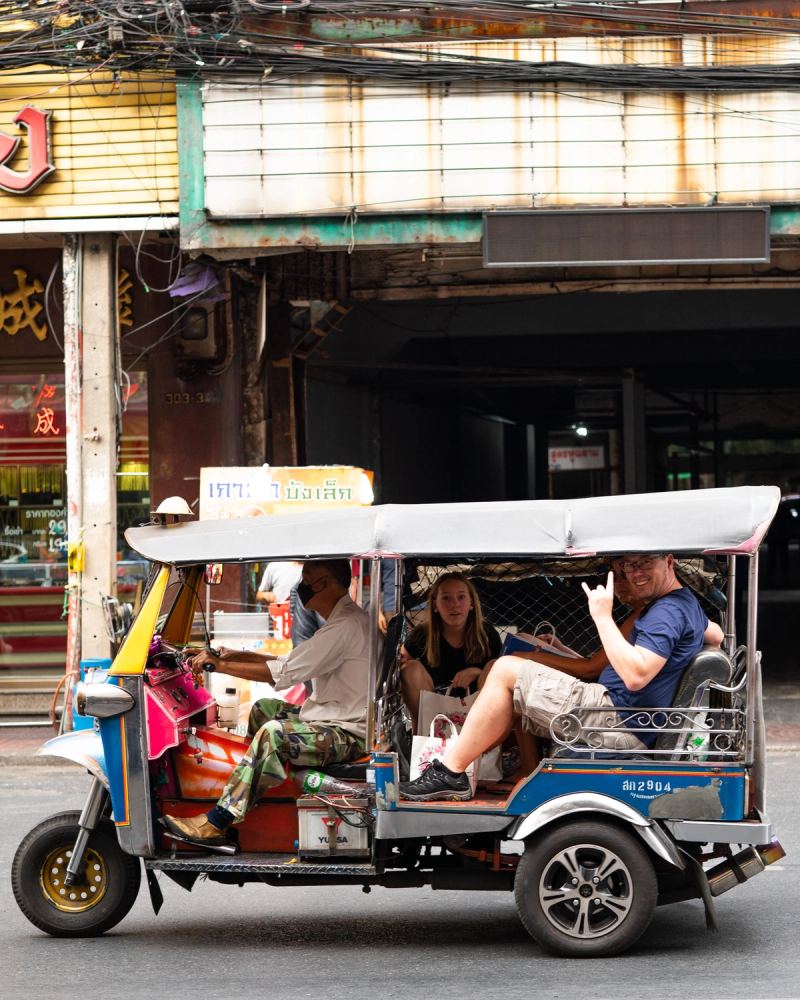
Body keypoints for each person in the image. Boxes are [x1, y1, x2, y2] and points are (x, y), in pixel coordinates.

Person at [399, 553, 723, 801]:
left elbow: (637, 675)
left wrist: (601, 616)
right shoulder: (683, 604)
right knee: (510, 693)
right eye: (628, 567)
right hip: (623, 715)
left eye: (645, 564)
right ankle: (466, 770)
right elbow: (717, 634)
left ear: (669, 562)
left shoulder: (665, 612)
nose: (634, 574)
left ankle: (451, 770)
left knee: (504, 670)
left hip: (613, 719)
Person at [162, 559, 371, 845]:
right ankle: (251, 793)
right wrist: (231, 655)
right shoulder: (343, 621)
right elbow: (288, 663)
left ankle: (219, 819)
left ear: (325, 584)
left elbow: (283, 673)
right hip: (331, 719)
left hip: (346, 735)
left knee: (273, 733)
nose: (300, 588)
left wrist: (218, 666)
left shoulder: (343, 627)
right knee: (265, 709)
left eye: (306, 581)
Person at [400, 571, 502, 728]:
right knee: (409, 669)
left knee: (495, 667)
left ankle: (484, 740)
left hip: (476, 714)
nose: (454, 604)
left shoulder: (487, 634)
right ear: (435, 605)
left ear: (472, 603)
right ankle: (423, 736)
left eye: (461, 597)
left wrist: (476, 672)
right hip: (434, 714)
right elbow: (402, 661)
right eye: (446, 598)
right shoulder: (423, 634)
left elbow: (503, 676)